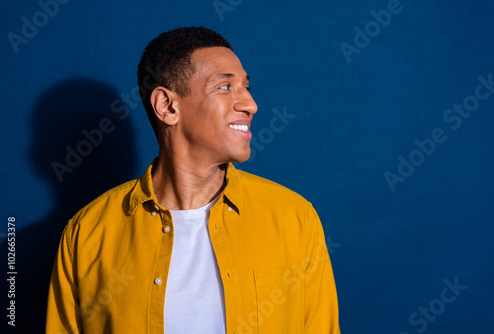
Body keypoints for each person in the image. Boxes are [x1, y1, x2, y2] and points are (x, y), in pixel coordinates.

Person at [46, 26, 340, 334]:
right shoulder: (87, 233)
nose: (250, 105)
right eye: (225, 87)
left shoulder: (295, 218)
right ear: (168, 106)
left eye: (246, 87)